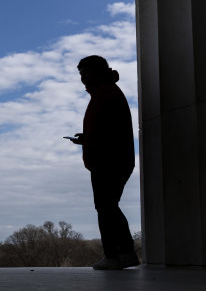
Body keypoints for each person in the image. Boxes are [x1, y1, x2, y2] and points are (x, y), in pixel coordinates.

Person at [67, 55, 139, 270]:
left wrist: (88, 139)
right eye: (80, 74)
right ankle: (126, 253)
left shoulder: (105, 93)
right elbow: (105, 128)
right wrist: (86, 137)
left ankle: (112, 256)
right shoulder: (105, 92)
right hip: (112, 159)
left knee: (105, 208)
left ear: (98, 71)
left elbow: (108, 131)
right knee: (109, 207)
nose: (82, 78)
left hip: (107, 160)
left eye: (85, 73)